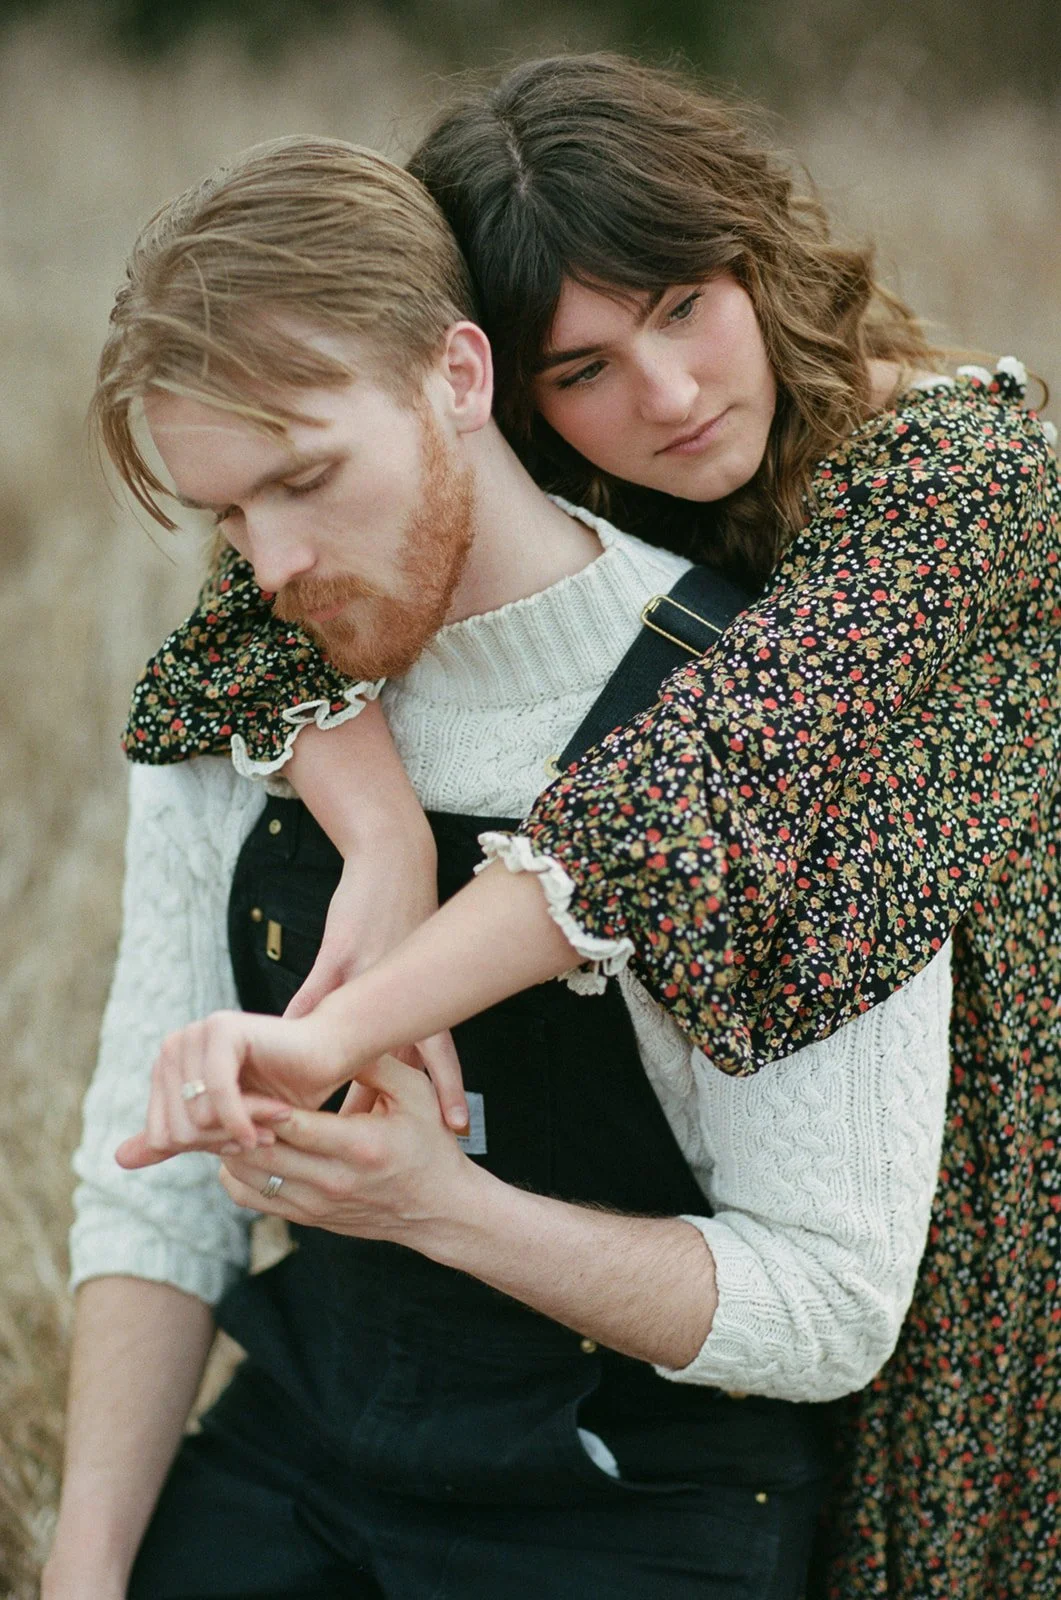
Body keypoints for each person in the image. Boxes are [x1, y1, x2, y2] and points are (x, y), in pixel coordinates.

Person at [106, 56, 1060, 1600]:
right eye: (586, 366)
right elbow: (250, 629)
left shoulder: (961, 482)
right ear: (496, 376)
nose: (666, 398)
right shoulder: (541, 460)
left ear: (752, 251)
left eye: (685, 305)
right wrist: (388, 841)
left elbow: (679, 803)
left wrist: (347, 1019)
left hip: (977, 1091)